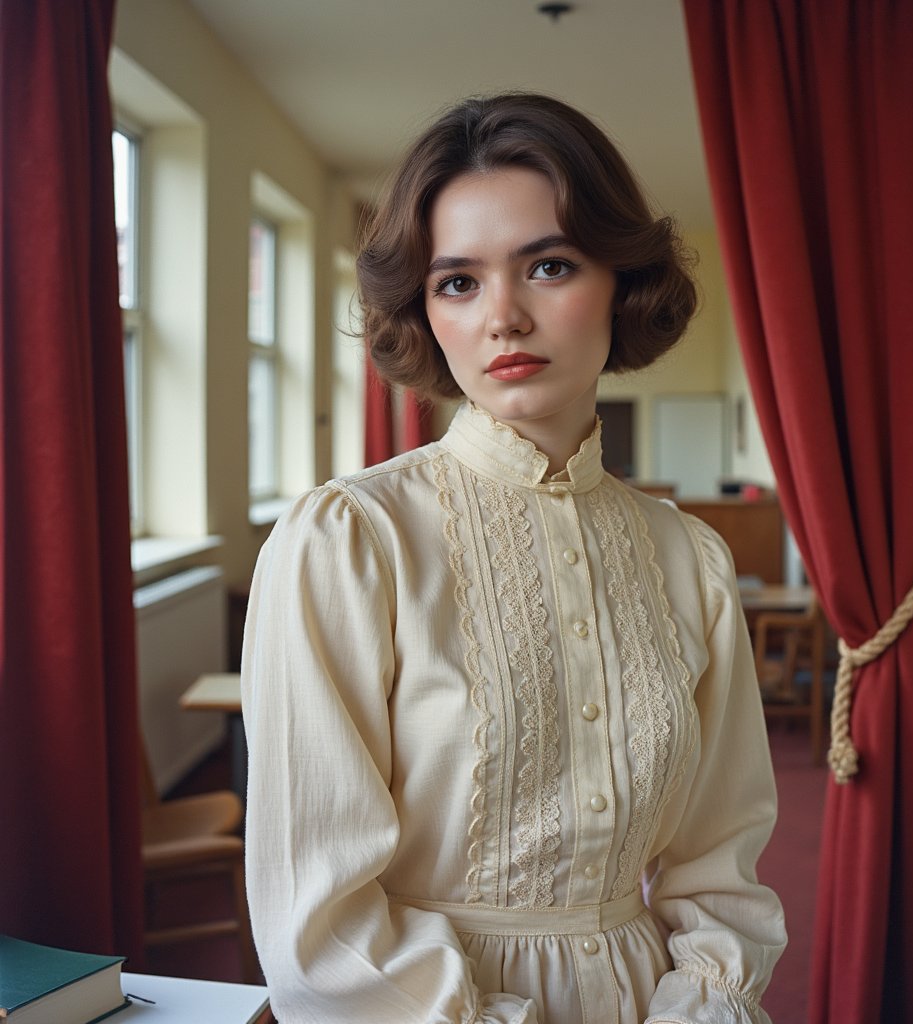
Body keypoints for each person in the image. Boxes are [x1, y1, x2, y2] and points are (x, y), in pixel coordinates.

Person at [241, 92, 786, 1024]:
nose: (504, 316)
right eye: (457, 281)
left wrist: (695, 1006)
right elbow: (319, 923)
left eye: (548, 265)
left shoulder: (688, 560)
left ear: (621, 280)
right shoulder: (350, 542)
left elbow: (718, 863)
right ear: (425, 308)